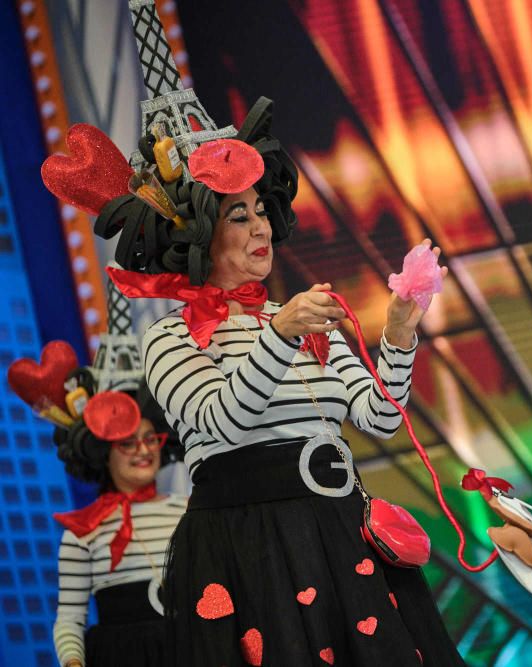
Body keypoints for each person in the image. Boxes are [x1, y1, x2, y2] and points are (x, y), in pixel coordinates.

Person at [45, 93, 465, 665]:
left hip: (338, 531)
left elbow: (380, 415)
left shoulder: (300, 315)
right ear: (196, 235)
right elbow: (222, 418)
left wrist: (396, 336)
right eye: (237, 216)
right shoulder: (171, 337)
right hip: (249, 545)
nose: (259, 226)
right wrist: (281, 335)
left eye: (260, 210)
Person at [8, 352, 184, 667]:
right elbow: (70, 617)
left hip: (193, 647)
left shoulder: (190, 511)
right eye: (128, 443)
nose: (143, 450)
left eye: (150, 439)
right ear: (102, 452)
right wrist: (73, 661)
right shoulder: (83, 531)